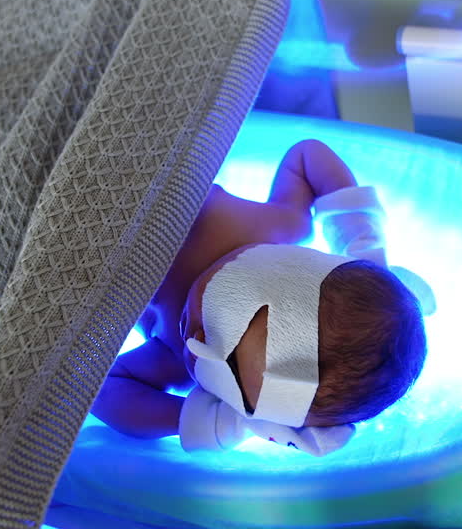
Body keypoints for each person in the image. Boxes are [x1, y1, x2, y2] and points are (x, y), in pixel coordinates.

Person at [89, 139, 428, 456]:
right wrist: (358, 235)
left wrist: (211, 420)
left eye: (233, 384)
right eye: (230, 342)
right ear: (288, 269)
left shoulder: (180, 355)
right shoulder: (281, 225)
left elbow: (101, 392)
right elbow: (309, 155)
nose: (200, 341)